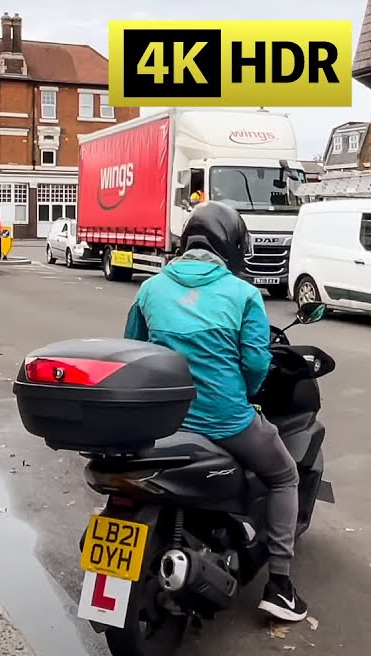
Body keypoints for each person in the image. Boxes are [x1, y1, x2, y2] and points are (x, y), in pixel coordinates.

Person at [123, 201, 306, 623]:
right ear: (233, 246)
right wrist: (244, 392)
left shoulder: (150, 288)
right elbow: (258, 363)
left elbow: (134, 347)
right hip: (223, 420)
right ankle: (279, 585)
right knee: (283, 476)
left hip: (163, 421)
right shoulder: (243, 294)